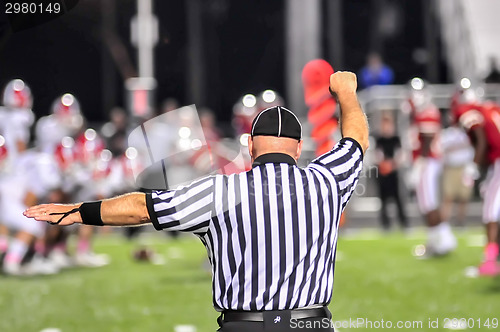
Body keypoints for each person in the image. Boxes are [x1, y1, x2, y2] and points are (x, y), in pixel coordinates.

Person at [24, 71, 369, 331]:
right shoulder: (328, 180)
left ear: (250, 147)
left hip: (244, 325)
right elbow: (356, 139)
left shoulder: (221, 191)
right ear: (297, 149)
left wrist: (78, 212)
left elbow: (142, 208)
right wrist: (346, 94)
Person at [406, 78, 456, 256]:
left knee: (428, 203)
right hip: (426, 161)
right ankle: (438, 241)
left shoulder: (428, 111)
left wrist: (419, 164)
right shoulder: (418, 111)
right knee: (426, 203)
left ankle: (443, 241)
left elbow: (427, 141)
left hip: (427, 162)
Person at [451, 91, 500, 276]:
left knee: (490, 213)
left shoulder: (469, 111)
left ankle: (489, 262)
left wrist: (473, 167)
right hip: (496, 164)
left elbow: (482, 142)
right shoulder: (492, 107)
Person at [374, 113, 408, 231]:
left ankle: (404, 223)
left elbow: (400, 155)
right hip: (383, 174)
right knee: (383, 200)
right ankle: (385, 224)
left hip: (394, 173)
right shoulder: (379, 139)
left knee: (398, 198)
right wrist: (384, 164)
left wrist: (392, 164)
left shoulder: (396, 139)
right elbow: (377, 155)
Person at [439, 122, 475, 228]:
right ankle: (444, 222)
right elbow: (442, 149)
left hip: (465, 168)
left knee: (464, 197)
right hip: (451, 167)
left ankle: (460, 221)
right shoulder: (447, 134)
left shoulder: (468, 133)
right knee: (448, 197)